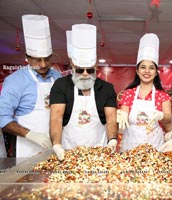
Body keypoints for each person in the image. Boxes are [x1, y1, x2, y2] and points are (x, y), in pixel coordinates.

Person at [50, 24, 118, 161]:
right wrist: (57, 145)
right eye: (80, 70)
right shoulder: (61, 85)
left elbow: (111, 118)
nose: (85, 74)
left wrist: (112, 140)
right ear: (73, 66)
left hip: (100, 153)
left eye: (90, 70)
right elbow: (56, 117)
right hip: (69, 152)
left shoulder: (106, 88)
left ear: (96, 66)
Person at [0, 14, 61, 158]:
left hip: (57, 144)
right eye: (37, 60)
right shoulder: (15, 80)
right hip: (27, 147)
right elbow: (2, 117)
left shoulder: (57, 77)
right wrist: (30, 134)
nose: (43, 65)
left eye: (47, 59)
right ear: (27, 58)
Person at [117, 33, 172, 151]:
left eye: (151, 68)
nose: (147, 71)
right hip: (130, 148)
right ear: (137, 71)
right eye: (143, 67)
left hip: (154, 147)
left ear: (156, 72)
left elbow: (168, 119)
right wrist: (121, 114)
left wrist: (161, 115)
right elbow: (124, 115)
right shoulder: (128, 93)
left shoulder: (163, 96)